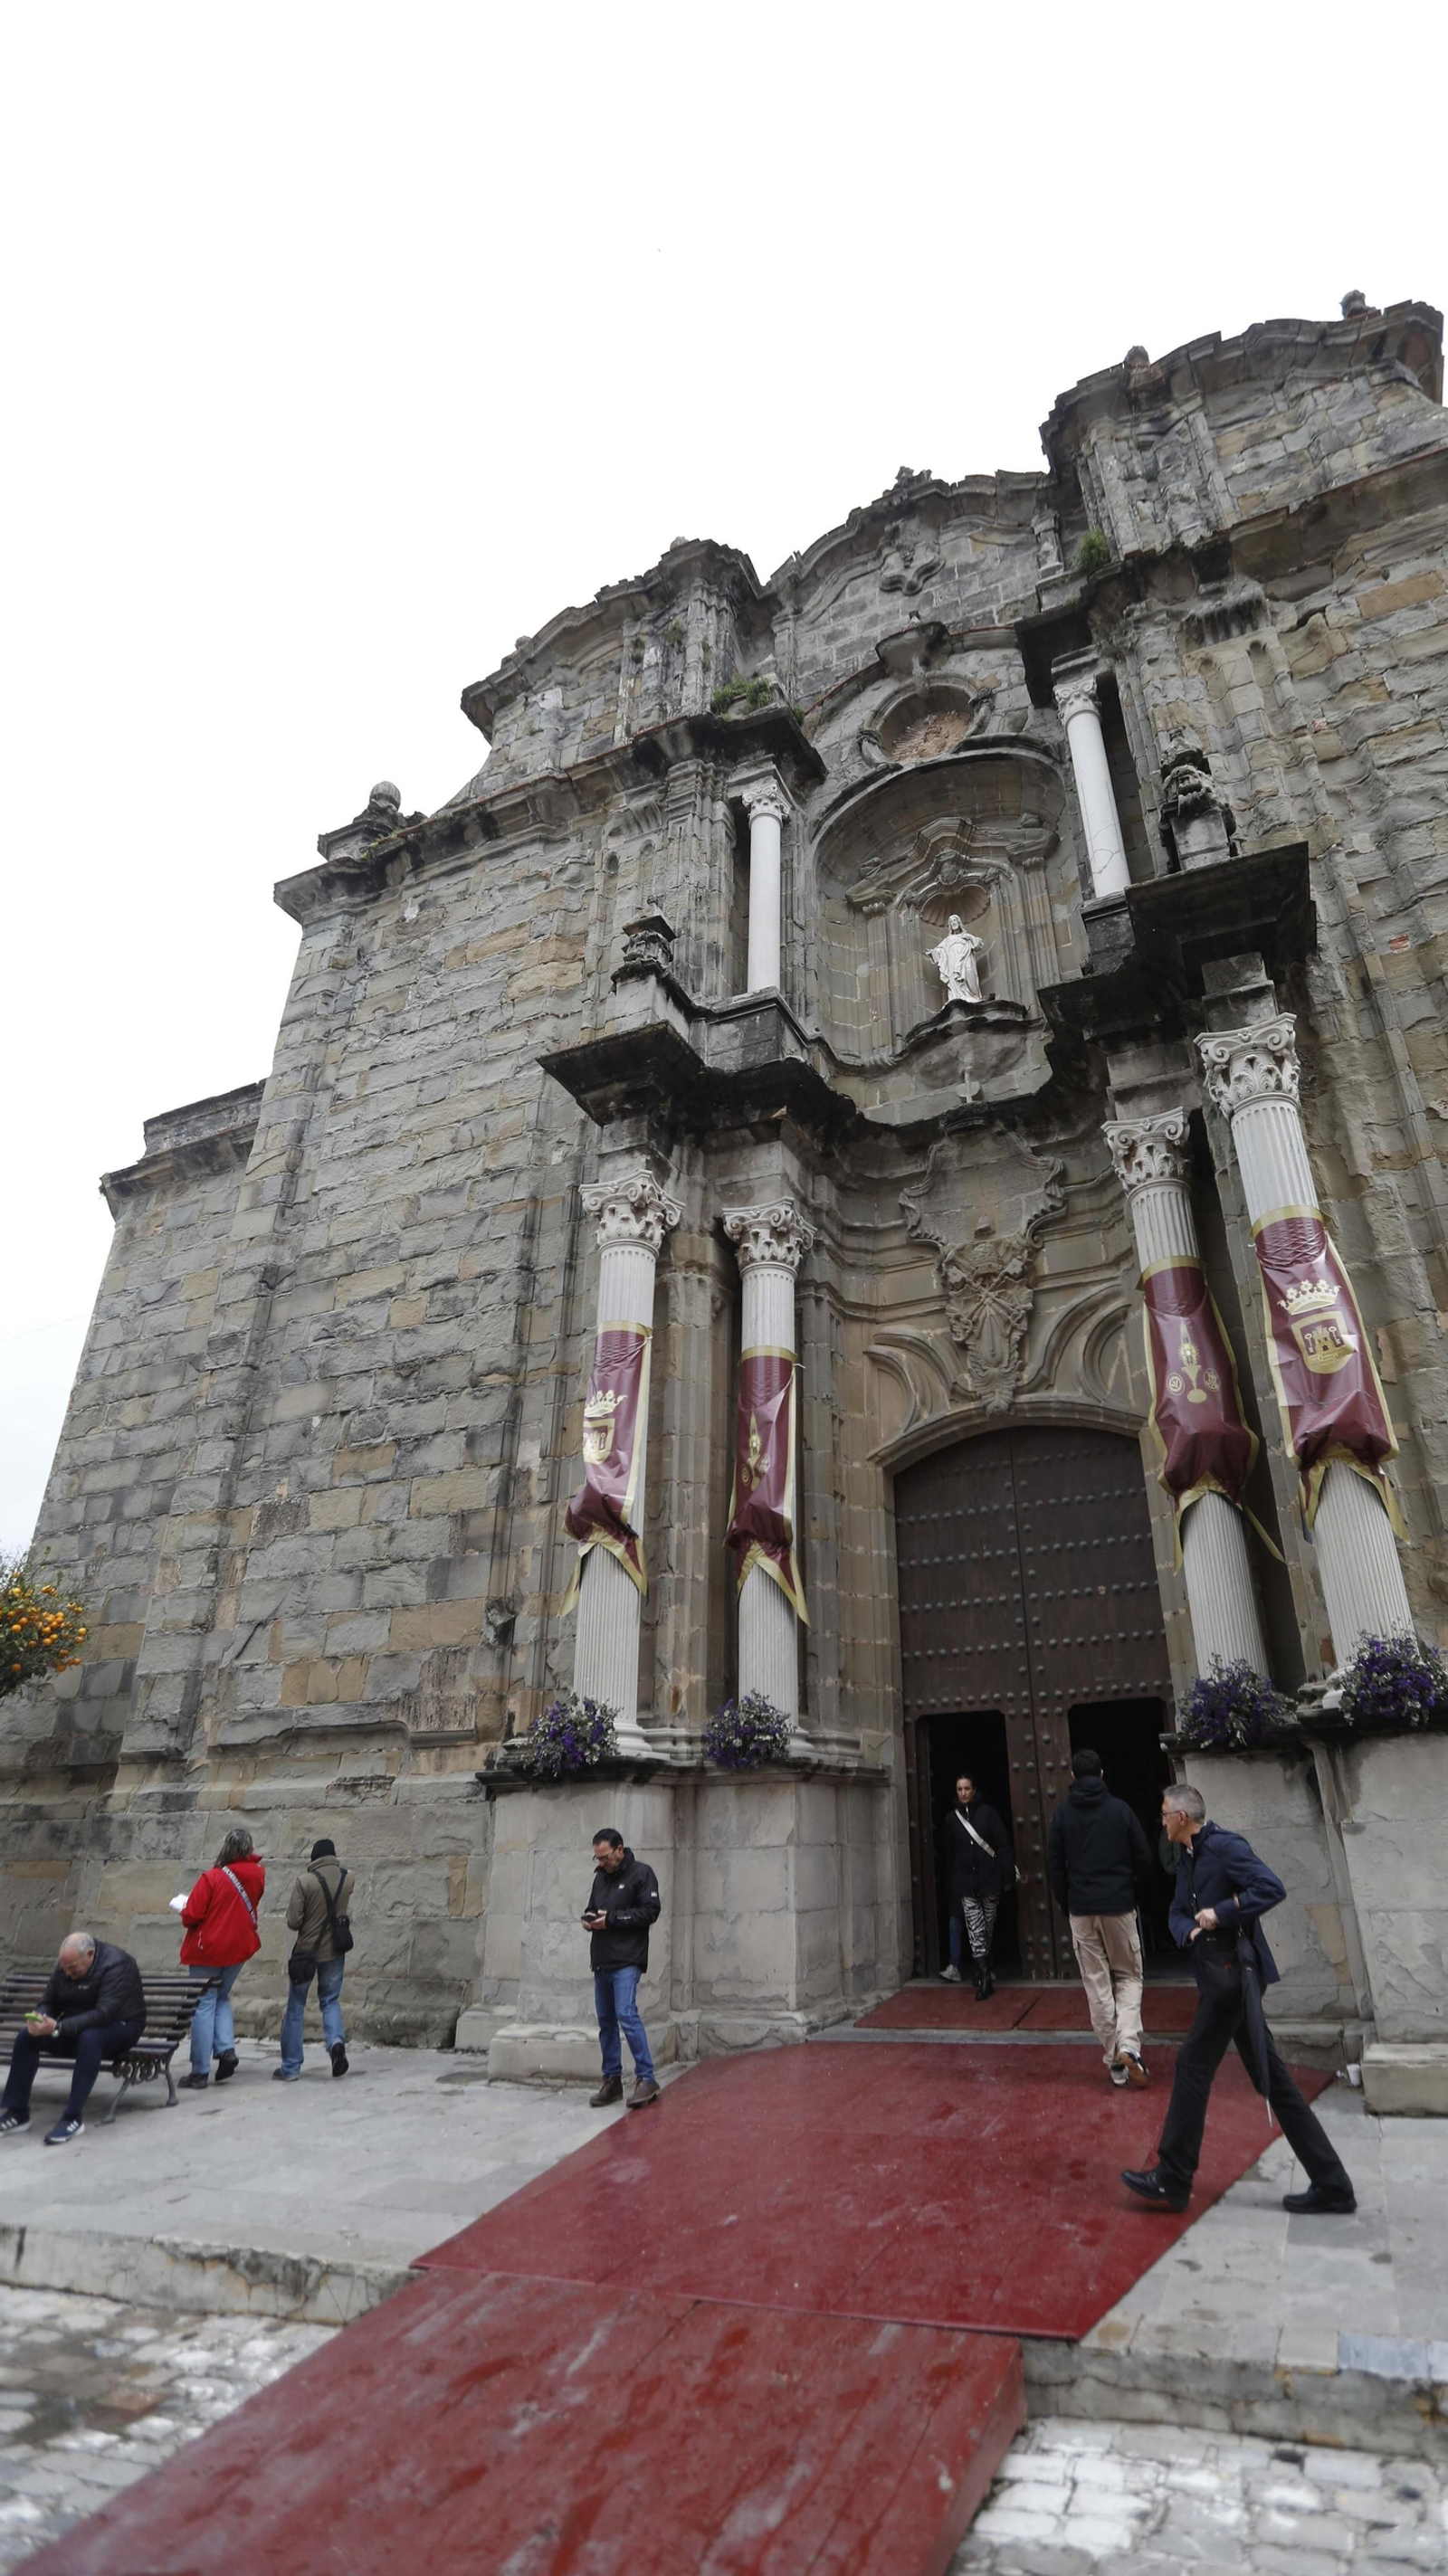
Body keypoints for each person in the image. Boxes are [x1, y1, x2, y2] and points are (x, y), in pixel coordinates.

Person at [1122, 1784, 1357, 2215]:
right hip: (1217, 1974)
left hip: (1235, 1978)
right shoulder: (1187, 1858)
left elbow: (1271, 1887)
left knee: (1192, 2065)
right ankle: (1333, 2183)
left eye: (1164, 1814)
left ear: (1181, 1817)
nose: (1161, 1821)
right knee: (1273, 2080)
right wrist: (1191, 1932)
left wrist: (1222, 1912)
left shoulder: (1225, 1847)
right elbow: (1176, 1912)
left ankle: (1173, 2176)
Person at [1047, 1748, 1157, 2088]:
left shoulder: (1062, 1815)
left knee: (1096, 1983)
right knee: (1129, 1976)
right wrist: (1130, 1888)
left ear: (1072, 1777)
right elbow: (1145, 1858)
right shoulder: (1120, 1810)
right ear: (1102, 1774)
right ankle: (1129, 2045)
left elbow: (1054, 1867)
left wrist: (1067, 1902)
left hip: (1082, 1908)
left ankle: (1114, 2061)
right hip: (1118, 1905)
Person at [0, 1932, 146, 2145]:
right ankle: (17, 2112)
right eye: (65, 1968)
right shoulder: (66, 1964)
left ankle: (72, 2118)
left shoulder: (118, 1965)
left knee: (90, 2038)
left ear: (90, 1954)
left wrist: (58, 2027)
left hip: (121, 2028)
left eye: (73, 1969)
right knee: (27, 2035)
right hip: (75, 2027)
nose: (67, 1973)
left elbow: (105, 2014)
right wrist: (41, 2018)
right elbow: (49, 2001)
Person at [176, 1827, 265, 2089]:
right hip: (238, 1948)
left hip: (209, 1949)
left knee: (203, 2004)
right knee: (222, 1997)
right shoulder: (258, 1875)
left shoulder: (212, 1877)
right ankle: (226, 2049)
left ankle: (200, 2071)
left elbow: (192, 1915)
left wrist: (183, 1908)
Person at [585, 1827, 661, 2109]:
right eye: (598, 1858)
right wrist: (589, 1918)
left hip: (628, 1958)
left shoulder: (642, 1874)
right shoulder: (600, 1878)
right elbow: (594, 1907)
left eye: (606, 1857)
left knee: (626, 2014)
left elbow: (650, 1912)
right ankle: (612, 2080)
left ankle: (647, 2078)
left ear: (620, 1850)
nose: (602, 1862)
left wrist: (612, 1920)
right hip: (602, 1958)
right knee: (606, 2021)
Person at [275, 1839, 353, 2082]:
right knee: (330, 2001)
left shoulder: (304, 1882)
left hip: (306, 1953)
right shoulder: (347, 1878)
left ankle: (290, 2067)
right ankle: (336, 2043)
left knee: (296, 2007)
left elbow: (294, 1921)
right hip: (335, 1951)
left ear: (314, 1858)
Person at [940, 1773, 1016, 1999]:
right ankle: (985, 1977)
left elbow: (1002, 1845)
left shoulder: (989, 1814)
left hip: (989, 1881)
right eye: (960, 1789)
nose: (963, 1793)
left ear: (974, 1790)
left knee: (987, 1928)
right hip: (966, 1884)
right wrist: (953, 1883)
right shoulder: (951, 1820)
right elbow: (950, 1853)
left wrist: (1007, 1877)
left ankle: (983, 1968)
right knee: (975, 1930)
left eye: (967, 1788)